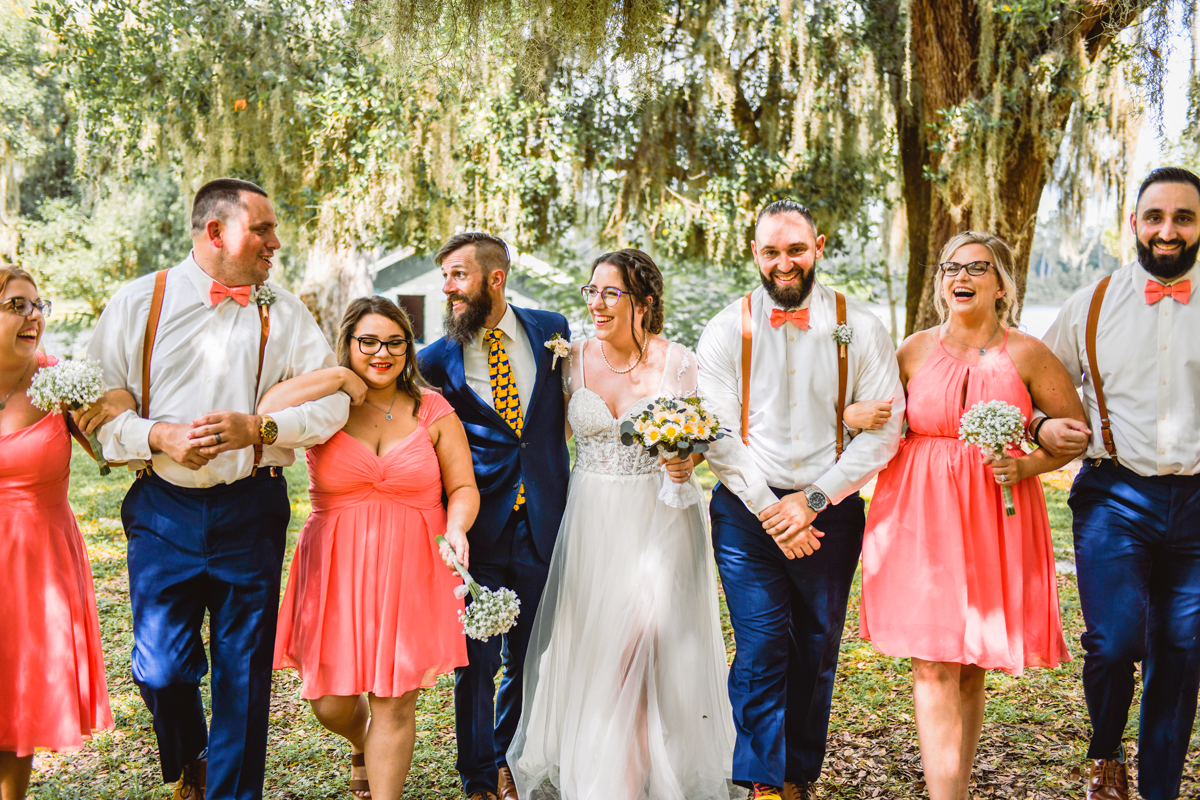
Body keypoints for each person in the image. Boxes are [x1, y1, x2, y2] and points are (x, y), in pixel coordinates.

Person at [88, 178, 351, 800]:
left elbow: (333, 401)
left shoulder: (283, 311)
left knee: (243, 672)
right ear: (216, 232)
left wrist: (262, 427)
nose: (275, 243)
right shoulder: (136, 303)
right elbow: (96, 415)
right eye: (263, 230)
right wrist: (159, 437)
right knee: (160, 669)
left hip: (251, 508)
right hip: (162, 510)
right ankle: (194, 761)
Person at [857, 231, 1083, 800]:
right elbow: (874, 429)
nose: (960, 277)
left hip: (993, 516)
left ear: (1002, 285)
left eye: (977, 268)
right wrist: (852, 415)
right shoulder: (910, 350)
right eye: (950, 267)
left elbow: (1072, 434)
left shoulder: (1027, 353)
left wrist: (1028, 465)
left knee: (969, 663)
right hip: (916, 515)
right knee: (932, 664)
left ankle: (953, 791)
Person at [507, 249, 738, 800]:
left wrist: (688, 459)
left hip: (657, 518)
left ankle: (627, 782)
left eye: (612, 293)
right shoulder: (571, 359)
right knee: (596, 645)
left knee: (640, 647)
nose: (598, 303)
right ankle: (605, 771)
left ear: (645, 302)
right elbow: (546, 442)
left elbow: (698, 440)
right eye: (593, 291)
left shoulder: (678, 362)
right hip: (590, 521)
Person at [696, 200, 905, 800]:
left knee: (816, 646)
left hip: (830, 510)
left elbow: (884, 432)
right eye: (770, 251)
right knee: (761, 644)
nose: (783, 263)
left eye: (794, 249)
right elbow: (717, 434)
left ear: (818, 245)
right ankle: (761, 782)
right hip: (745, 508)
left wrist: (811, 501)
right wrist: (772, 509)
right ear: (754, 254)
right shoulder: (723, 328)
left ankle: (796, 777)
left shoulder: (859, 326)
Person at [270, 296, 477, 799]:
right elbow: (269, 405)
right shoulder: (327, 409)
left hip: (414, 565)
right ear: (348, 343)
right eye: (367, 342)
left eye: (394, 342)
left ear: (409, 347)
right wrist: (340, 379)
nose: (381, 353)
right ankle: (361, 744)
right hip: (336, 566)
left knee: (394, 701)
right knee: (330, 702)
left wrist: (458, 527)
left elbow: (465, 487)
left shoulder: (432, 408)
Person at [1041, 167, 1200, 800]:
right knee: (1114, 640)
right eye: (1154, 216)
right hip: (1115, 493)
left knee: (1184, 647)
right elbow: (1035, 384)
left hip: (1198, 500)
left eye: (1183, 217)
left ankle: (1160, 787)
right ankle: (1105, 755)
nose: (1167, 230)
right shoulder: (1092, 302)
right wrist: (1043, 424)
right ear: (1132, 224)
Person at [417, 232, 571, 800]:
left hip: (548, 523)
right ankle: (478, 779)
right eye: (445, 276)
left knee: (530, 656)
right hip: (478, 531)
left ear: (495, 279)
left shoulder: (552, 329)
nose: (448, 287)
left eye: (458, 275)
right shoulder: (434, 360)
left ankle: (509, 758)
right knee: (475, 664)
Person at [0, 267, 116, 800]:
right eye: (17, 306)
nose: (34, 316)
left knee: (13, 704)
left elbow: (115, 455)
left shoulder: (61, 381)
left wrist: (102, 414)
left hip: (34, 564)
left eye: (37, 304)